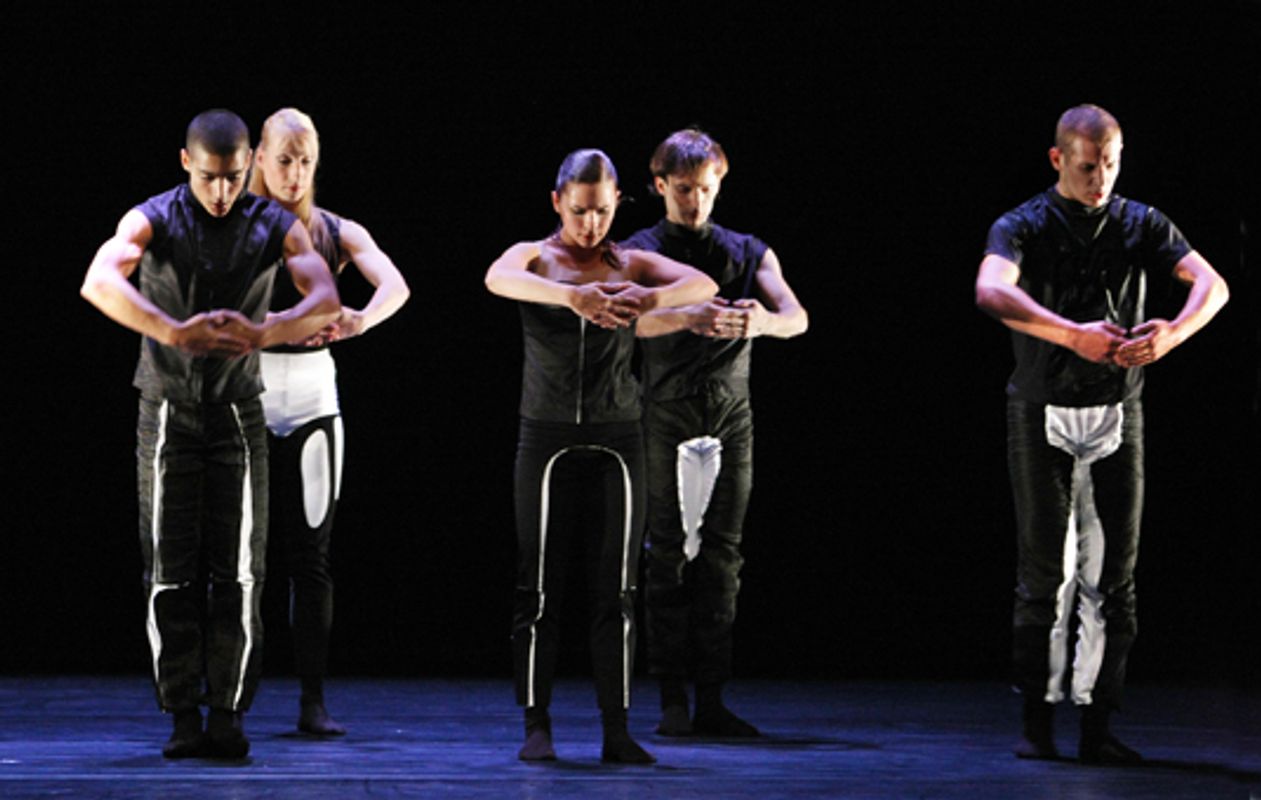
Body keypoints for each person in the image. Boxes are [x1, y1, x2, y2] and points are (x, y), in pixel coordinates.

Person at [80, 109, 341, 759]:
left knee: (241, 572)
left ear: (249, 164)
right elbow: (98, 280)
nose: (221, 191)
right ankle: (181, 712)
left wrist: (266, 331)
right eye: (207, 178)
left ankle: (227, 711)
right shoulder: (155, 216)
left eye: (232, 177)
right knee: (169, 570)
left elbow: (324, 298)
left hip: (237, 414)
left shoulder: (273, 223)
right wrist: (172, 330)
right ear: (185, 164)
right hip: (168, 410)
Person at [974, 104, 1228, 764]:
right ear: (1058, 159)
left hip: (1118, 412)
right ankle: (1037, 722)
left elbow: (1212, 284)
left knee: (1112, 578)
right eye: (1088, 167)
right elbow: (990, 292)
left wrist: (1172, 333)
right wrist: (1070, 335)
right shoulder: (1022, 224)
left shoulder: (1141, 222)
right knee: (1045, 574)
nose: (1100, 180)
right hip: (1041, 412)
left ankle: (1097, 725)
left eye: (1110, 165)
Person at [485, 149, 718, 764]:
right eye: (580, 211)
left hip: (618, 435)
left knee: (617, 590)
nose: (591, 224)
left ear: (616, 206)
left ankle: (616, 728)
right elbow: (498, 278)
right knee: (538, 586)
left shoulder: (629, 262)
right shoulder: (536, 258)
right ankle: (536, 724)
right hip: (546, 434)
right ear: (557, 202)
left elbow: (703, 285)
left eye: (603, 212)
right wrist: (574, 297)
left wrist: (646, 300)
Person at [622, 128, 808, 738]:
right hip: (665, 411)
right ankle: (671, 696)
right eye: (683, 189)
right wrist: (685, 316)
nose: (694, 201)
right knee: (667, 554)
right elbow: (621, 323)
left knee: (723, 556)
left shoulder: (747, 251)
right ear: (659, 186)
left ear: (719, 184)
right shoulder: (639, 250)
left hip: (731, 414)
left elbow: (797, 317)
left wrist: (762, 323)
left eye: (704, 189)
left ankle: (711, 696)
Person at [250, 107, 410, 736]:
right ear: (259, 159)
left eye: (305, 162)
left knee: (311, 559)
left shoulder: (335, 231)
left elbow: (394, 284)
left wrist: (361, 319)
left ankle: (312, 700)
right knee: (242, 560)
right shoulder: (238, 227)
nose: (295, 173)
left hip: (314, 401)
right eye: (284, 160)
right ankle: (230, 697)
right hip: (249, 397)